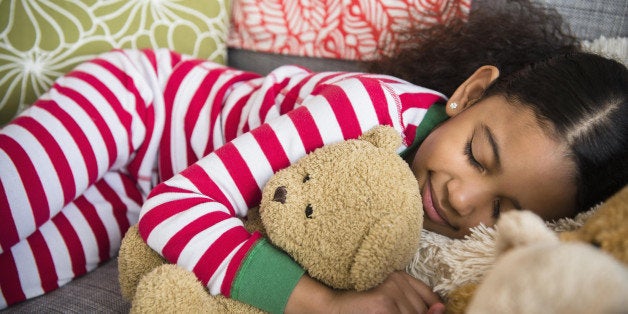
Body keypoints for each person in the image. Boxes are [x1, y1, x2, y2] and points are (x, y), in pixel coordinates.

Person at [1, 0, 626, 312]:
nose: (463, 199)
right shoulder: (360, 111)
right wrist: (325, 304)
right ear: (469, 94)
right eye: (477, 155)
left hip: (138, 202)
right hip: (139, 110)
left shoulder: (456, 238)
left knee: (16, 278)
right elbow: (174, 209)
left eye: (503, 208)